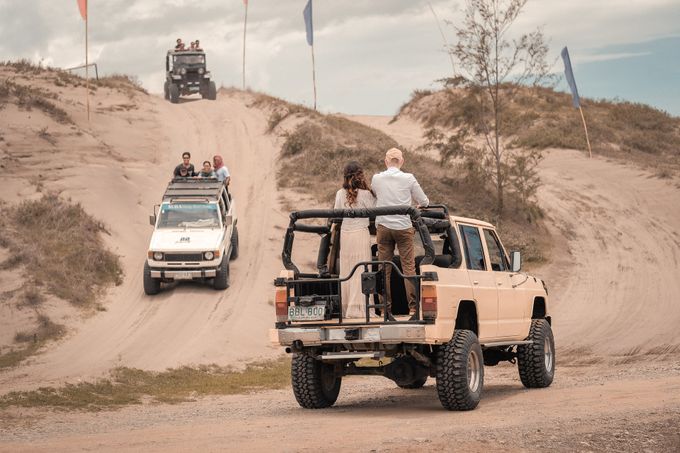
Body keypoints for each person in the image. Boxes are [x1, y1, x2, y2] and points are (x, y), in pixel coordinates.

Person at [371, 148, 429, 321]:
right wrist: (416, 207)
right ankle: (412, 309)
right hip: (404, 227)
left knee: (384, 269)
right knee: (408, 268)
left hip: (383, 227)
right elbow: (424, 201)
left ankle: (384, 310)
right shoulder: (409, 178)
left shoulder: (376, 178)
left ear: (386, 161)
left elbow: (376, 196)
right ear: (401, 162)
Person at [333, 162, 376, 319]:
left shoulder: (339, 193)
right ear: (361, 175)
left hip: (346, 235)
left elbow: (337, 214)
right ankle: (362, 309)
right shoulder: (366, 194)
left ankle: (348, 309)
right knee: (362, 271)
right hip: (360, 234)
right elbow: (375, 212)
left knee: (347, 271)